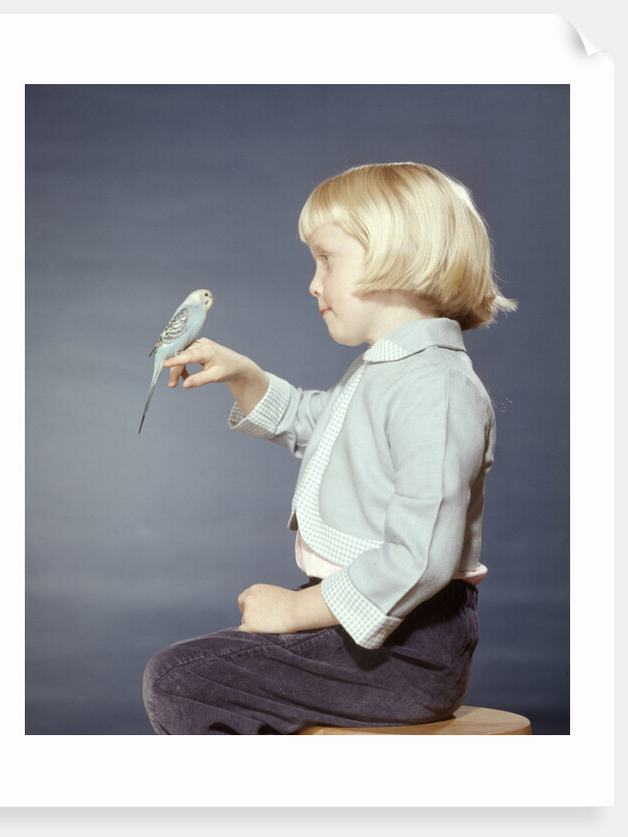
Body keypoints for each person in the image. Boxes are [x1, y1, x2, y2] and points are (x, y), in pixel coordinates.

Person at [142, 162, 517, 735]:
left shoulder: (435, 389)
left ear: (398, 254)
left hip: (411, 651)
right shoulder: (385, 373)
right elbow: (312, 422)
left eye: (326, 259)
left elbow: (420, 559)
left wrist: (295, 610)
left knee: (182, 676)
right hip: (366, 627)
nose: (314, 283)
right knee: (204, 664)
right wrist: (243, 374)